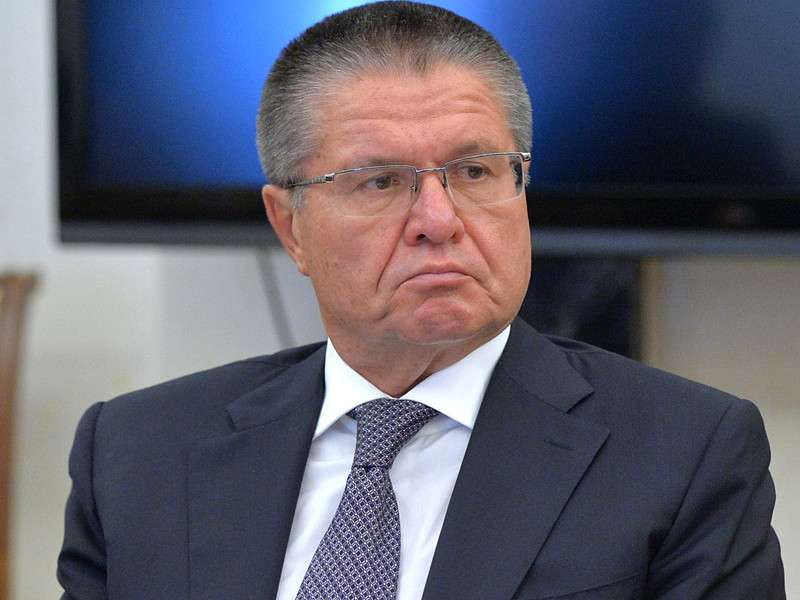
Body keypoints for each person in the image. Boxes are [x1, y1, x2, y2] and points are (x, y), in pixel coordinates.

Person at [57, 2, 785, 599]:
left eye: (474, 171)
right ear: (290, 227)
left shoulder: (686, 453)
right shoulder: (136, 453)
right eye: (380, 181)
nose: (440, 220)